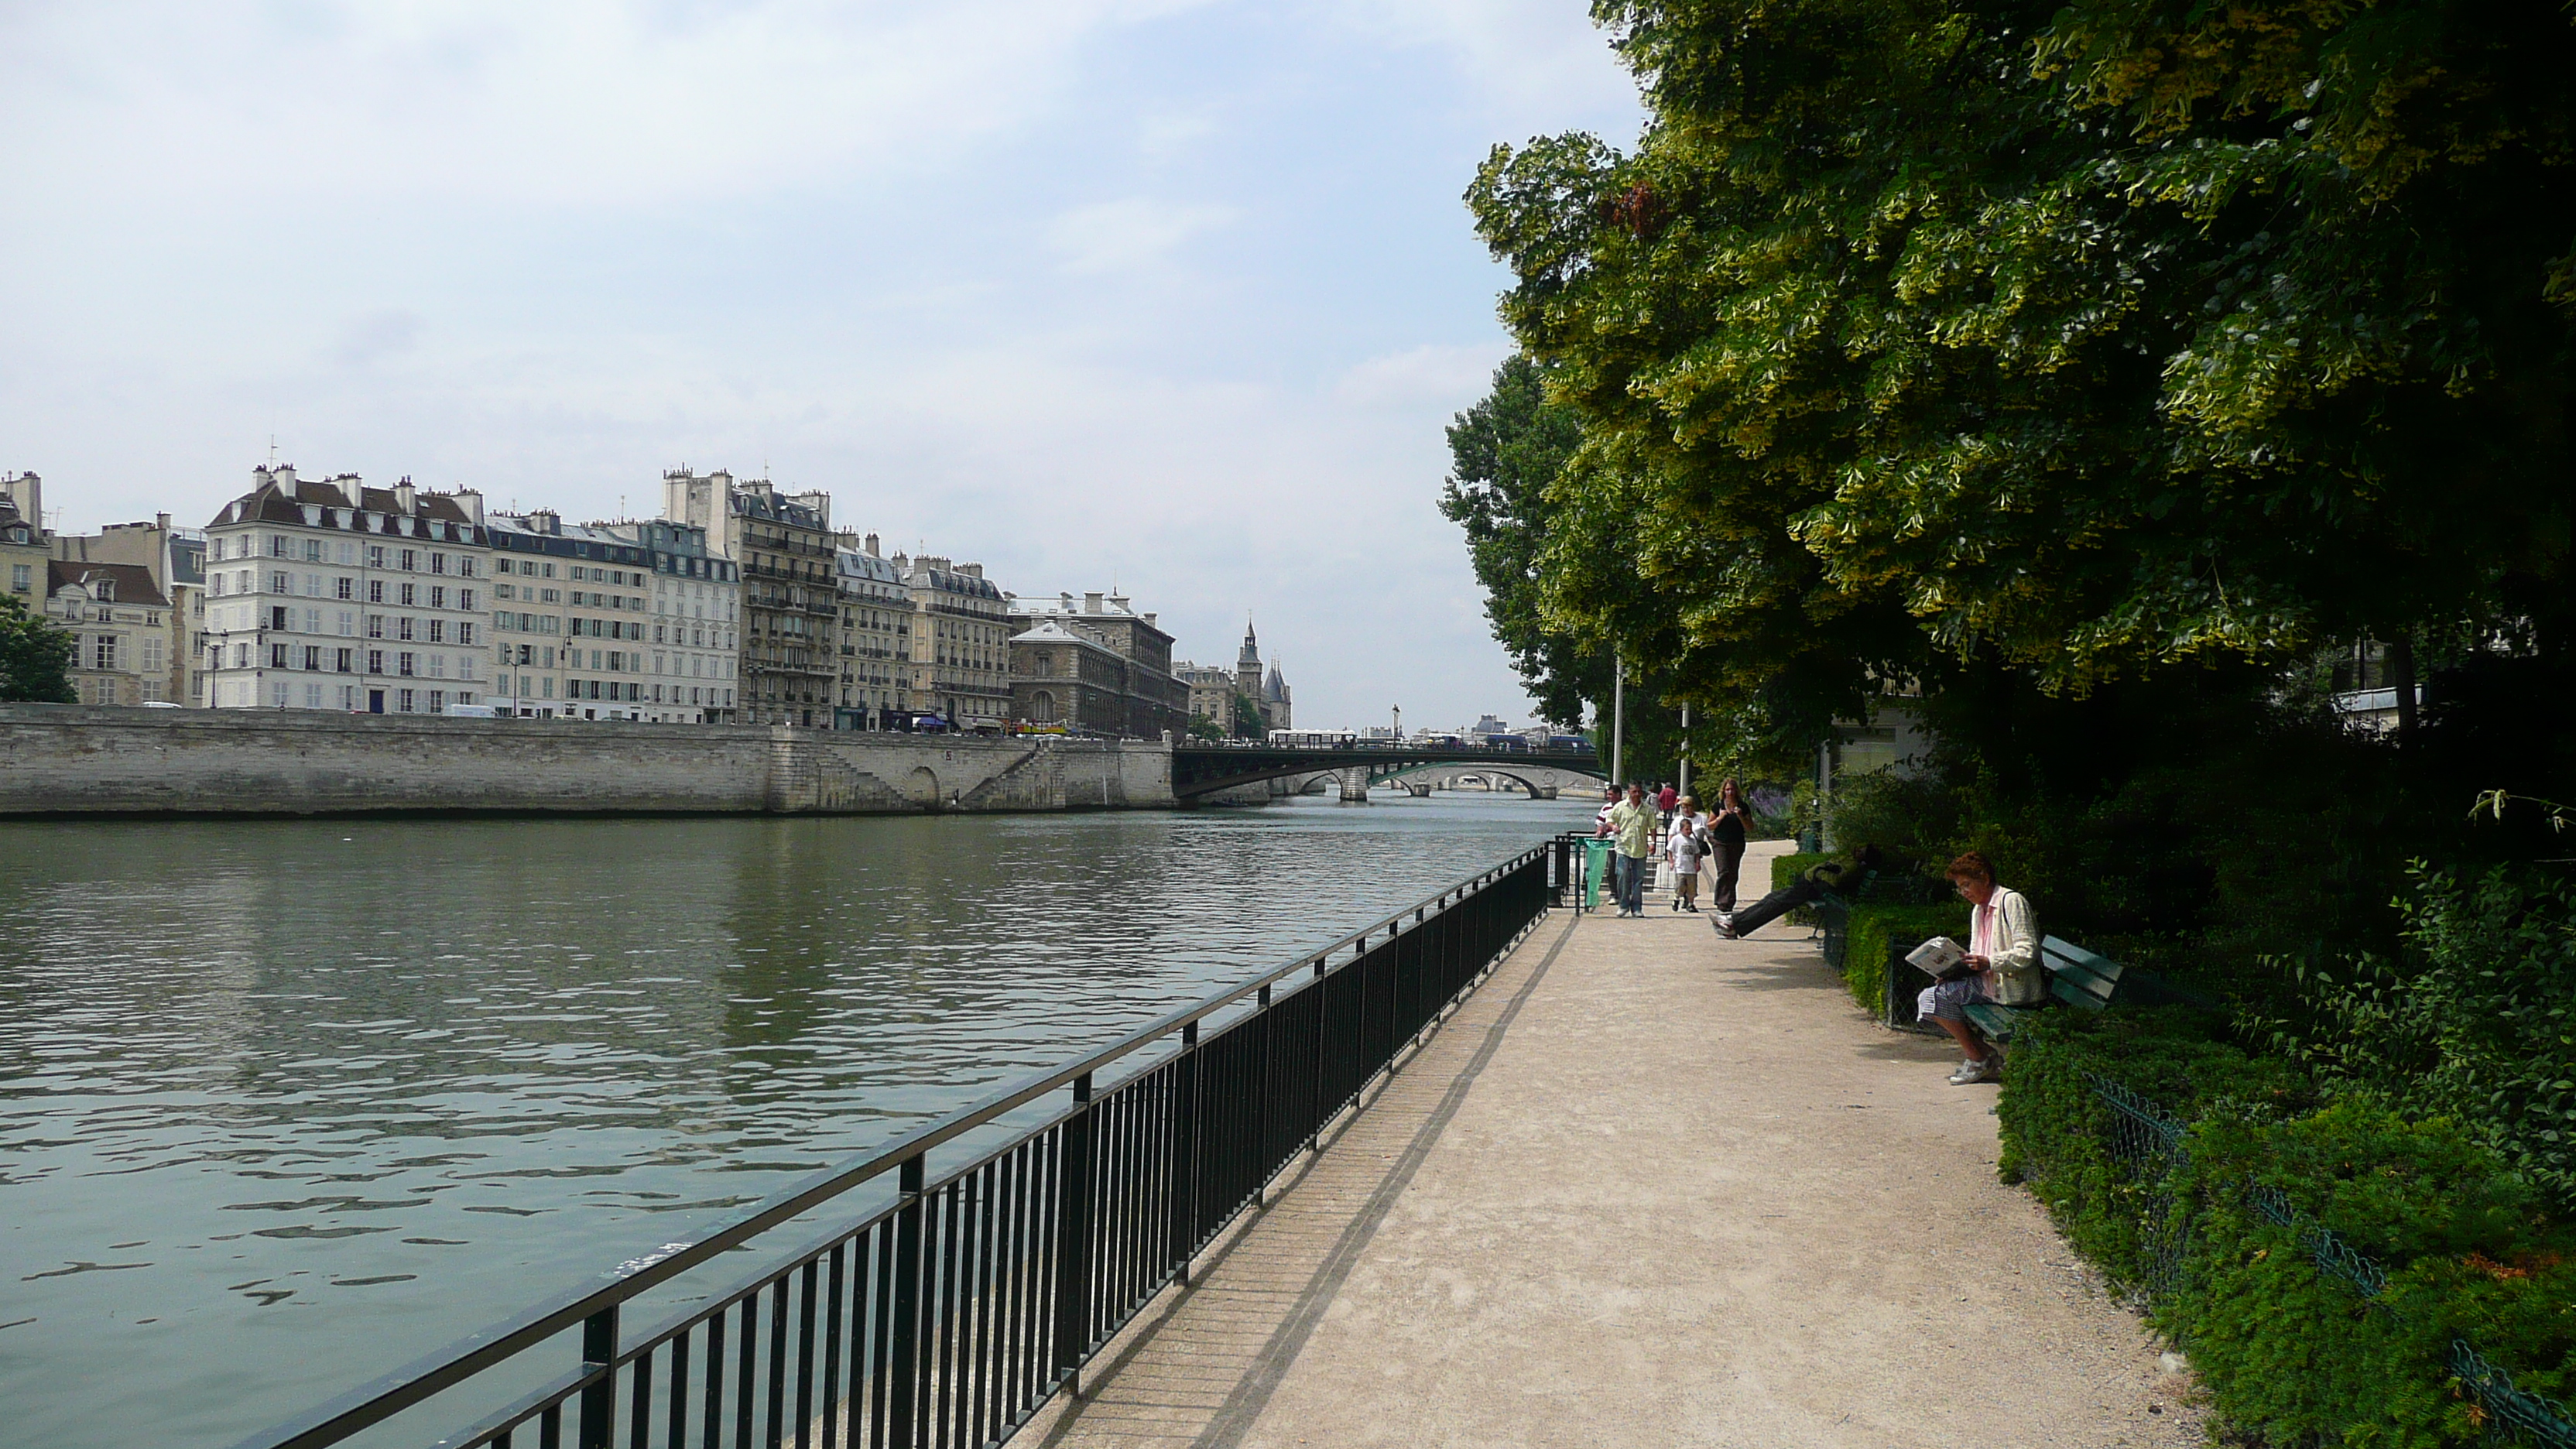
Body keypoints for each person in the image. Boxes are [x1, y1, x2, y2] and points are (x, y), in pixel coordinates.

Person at [1919, 851, 2042, 1085]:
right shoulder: (1979, 909)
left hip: (2012, 988)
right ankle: (1983, 1057)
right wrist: (1952, 973)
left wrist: (1990, 963)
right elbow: (1976, 954)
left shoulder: (2011, 901)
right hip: (1987, 984)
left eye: (1967, 885)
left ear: (1984, 879)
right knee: (1931, 998)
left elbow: (2028, 951)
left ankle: (1981, 1061)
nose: (1964, 892)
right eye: (1959, 888)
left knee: (1937, 999)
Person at [1713, 845, 1884, 939]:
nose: (1858, 848)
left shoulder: (1854, 867)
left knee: (1776, 903)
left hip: (1816, 889)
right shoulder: (1851, 861)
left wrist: (1818, 873)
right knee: (1773, 898)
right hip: (1811, 885)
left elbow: (1835, 880)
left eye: (1862, 850)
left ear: (1864, 857)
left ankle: (1735, 924)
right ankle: (1734, 921)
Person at [1605, 783, 1657, 916]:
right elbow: (1609, 820)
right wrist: (1613, 827)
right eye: (1634, 792)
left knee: (1638, 879)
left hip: (1640, 848)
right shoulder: (1621, 807)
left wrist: (1653, 842)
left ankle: (1637, 908)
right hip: (1624, 847)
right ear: (1629, 792)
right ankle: (1623, 905)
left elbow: (1652, 826)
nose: (1637, 795)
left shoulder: (1647, 809)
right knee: (1622, 876)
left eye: (1639, 792)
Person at [1705, 778, 1750, 916]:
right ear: (1723, 791)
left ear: (1736, 791)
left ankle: (1730, 902)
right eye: (1727, 789)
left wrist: (1741, 816)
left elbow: (1750, 827)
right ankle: (1721, 902)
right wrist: (1720, 818)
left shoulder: (1743, 806)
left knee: (1733, 873)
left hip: (1737, 843)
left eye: (1732, 789)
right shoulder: (1718, 805)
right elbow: (1709, 825)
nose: (1730, 792)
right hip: (1720, 843)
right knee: (1724, 871)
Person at [1666, 796, 1703, 911]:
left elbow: (1706, 834)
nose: (1686, 809)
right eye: (1684, 807)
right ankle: (1678, 899)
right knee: (1681, 884)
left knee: (1692, 886)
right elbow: (1671, 840)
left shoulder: (1700, 819)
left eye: (1688, 806)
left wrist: (1698, 862)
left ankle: (1690, 903)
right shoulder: (1678, 822)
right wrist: (1671, 860)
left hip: (1691, 861)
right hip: (1680, 863)